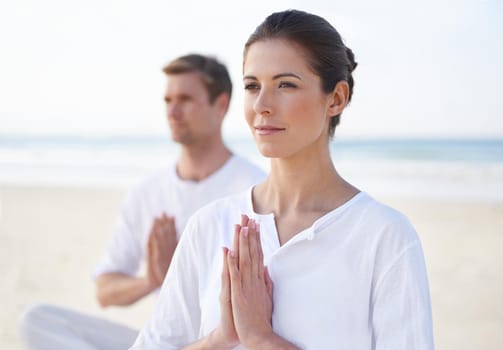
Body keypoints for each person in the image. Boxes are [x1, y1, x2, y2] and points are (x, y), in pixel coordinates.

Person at [130, 9, 435, 350]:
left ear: (336, 98)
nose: (262, 104)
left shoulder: (383, 236)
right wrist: (220, 338)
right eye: (252, 86)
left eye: (285, 85)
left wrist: (262, 339)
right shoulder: (209, 226)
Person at [18, 54, 266, 350]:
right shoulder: (148, 191)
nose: (173, 112)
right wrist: (150, 279)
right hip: (161, 342)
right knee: (39, 321)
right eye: (167, 100)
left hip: (225, 343)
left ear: (221, 105)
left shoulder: (255, 189)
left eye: (185, 99)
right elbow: (104, 291)